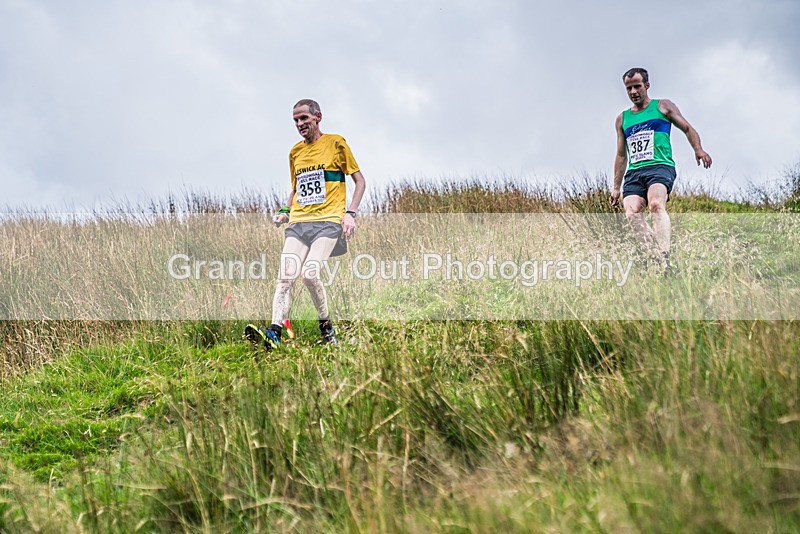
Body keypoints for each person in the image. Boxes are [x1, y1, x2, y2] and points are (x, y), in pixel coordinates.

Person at [246, 99, 366, 349]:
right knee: (284, 277)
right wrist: (284, 210)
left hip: (328, 221)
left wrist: (350, 213)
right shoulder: (295, 152)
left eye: (304, 119)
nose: (300, 124)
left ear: (318, 117)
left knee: (310, 275)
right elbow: (296, 188)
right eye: (296, 121)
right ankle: (275, 333)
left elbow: (360, 181)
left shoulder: (336, 143)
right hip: (299, 223)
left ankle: (327, 329)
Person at [610, 67, 712, 269]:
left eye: (637, 86)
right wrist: (615, 187)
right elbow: (621, 154)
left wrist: (698, 149)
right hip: (634, 172)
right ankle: (656, 258)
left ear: (647, 86)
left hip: (660, 167)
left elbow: (688, 128)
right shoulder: (622, 119)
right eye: (629, 88)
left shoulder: (663, 106)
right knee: (632, 213)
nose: (633, 92)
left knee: (656, 204)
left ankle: (664, 255)